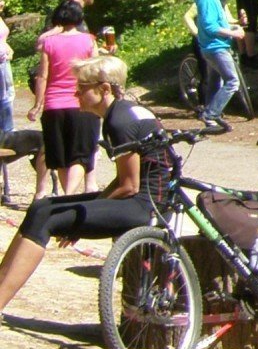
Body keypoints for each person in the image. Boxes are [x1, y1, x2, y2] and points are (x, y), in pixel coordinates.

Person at [0, 57, 175, 317]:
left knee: (47, 218)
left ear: (104, 89)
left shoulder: (119, 122)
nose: (76, 94)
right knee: (41, 207)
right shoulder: (125, 110)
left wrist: (81, 218)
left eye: (82, 88)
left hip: (147, 206)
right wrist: (88, 210)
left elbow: (129, 185)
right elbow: (124, 181)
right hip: (145, 197)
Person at [28, 1, 97, 198]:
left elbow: (42, 77)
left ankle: (67, 196)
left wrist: (37, 105)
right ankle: (70, 195)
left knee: (60, 156)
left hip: (54, 105)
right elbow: (95, 71)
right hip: (82, 105)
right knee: (81, 156)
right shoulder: (88, 40)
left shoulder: (49, 43)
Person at [194, 0, 245, 127]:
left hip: (212, 46)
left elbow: (218, 23)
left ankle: (211, 115)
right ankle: (210, 114)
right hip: (216, 47)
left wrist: (235, 26)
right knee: (232, 81)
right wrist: (233, 34)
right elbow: (210, 26)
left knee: (216, 81)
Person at [0, 0, 14, 143]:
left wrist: (8, 48)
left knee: (8, 95)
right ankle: (7, 131)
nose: (2, 3)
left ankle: (7, 130)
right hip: (0, 62)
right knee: (4, 98)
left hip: (5, 61)